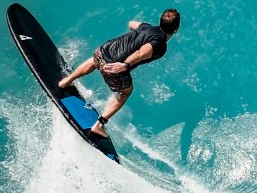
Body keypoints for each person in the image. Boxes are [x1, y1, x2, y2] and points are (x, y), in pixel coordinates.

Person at [58, 9, 181, 138]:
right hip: (114, 68)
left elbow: (132, 23)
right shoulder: (160, 45)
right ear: (176, 29)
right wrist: (125, 65)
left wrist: (136, 37)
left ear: (160, 21)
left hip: (103, 50)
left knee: (94, 61)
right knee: (125, 92)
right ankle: (99, 125)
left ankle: (66, 81)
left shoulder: (146, 27)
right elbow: (140, 53)